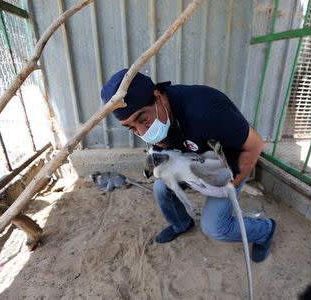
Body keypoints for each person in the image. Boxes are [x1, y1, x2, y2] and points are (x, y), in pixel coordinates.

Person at [101, 69, 276, 262]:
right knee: (160, 187)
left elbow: (255, 146)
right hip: (192, 161)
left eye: (143, 120)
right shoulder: (154, 118)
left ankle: (264, 231)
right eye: (132, 128)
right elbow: (160, 147)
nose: (143, 132)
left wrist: (230, 186)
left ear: (158, 97)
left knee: (214, 227)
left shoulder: (208, 111)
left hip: (226, 167)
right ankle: (182, 224)